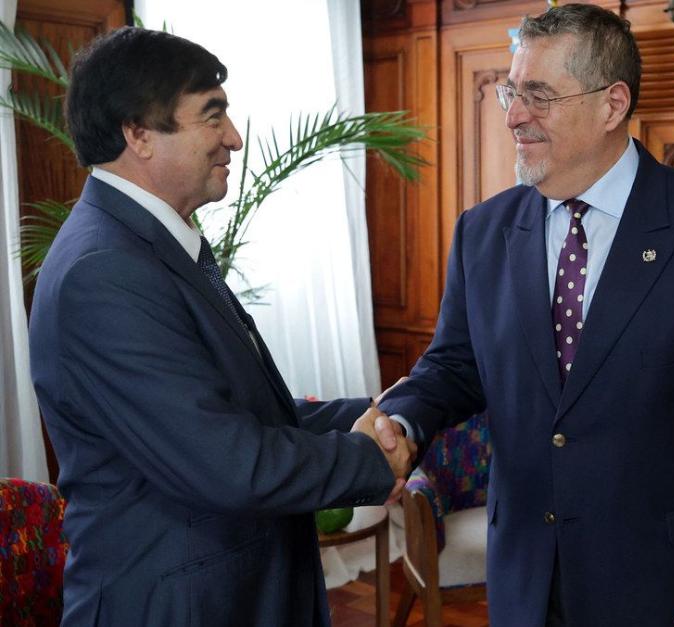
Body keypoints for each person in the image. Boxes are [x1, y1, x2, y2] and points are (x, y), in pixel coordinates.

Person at [377, 4, 674, 626]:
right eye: (512, 93)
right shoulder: (481, 232)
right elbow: (456, 364)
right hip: (523, 571)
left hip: (663, 580)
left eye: (539, 95)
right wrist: (402, 420)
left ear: (611, 104)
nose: (515, 115)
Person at [28, 27, 411, 626]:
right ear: (139, 135)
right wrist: (370, 458)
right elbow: (228, 463)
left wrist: (383, 409)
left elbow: (240, 413)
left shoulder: (145, 245)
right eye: (213, 117)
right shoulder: (103, 272)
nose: (234, 138)